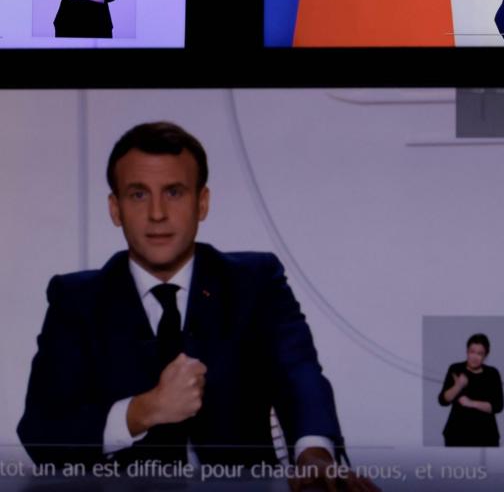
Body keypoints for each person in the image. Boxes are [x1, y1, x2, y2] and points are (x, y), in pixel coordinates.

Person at [17, 122, 376, 491]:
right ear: (115, 209)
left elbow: (298, 374)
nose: (157, 214)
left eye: (174, 192)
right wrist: (142, 412)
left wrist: (314, 455)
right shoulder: (75, 299)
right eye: (138, 195)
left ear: (202, 202)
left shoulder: (256, 281)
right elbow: (41, 432)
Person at [438, 334, 504, 447]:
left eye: (480, 353)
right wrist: (458, 385)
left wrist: (470, 403)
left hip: (487, 435)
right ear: (467, 351)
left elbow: (498, 406)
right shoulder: (456, 369)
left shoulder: (492, 373)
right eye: (472, 352)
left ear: (486, 355)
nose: (474, 357)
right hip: (456, 434)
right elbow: (443, 400)